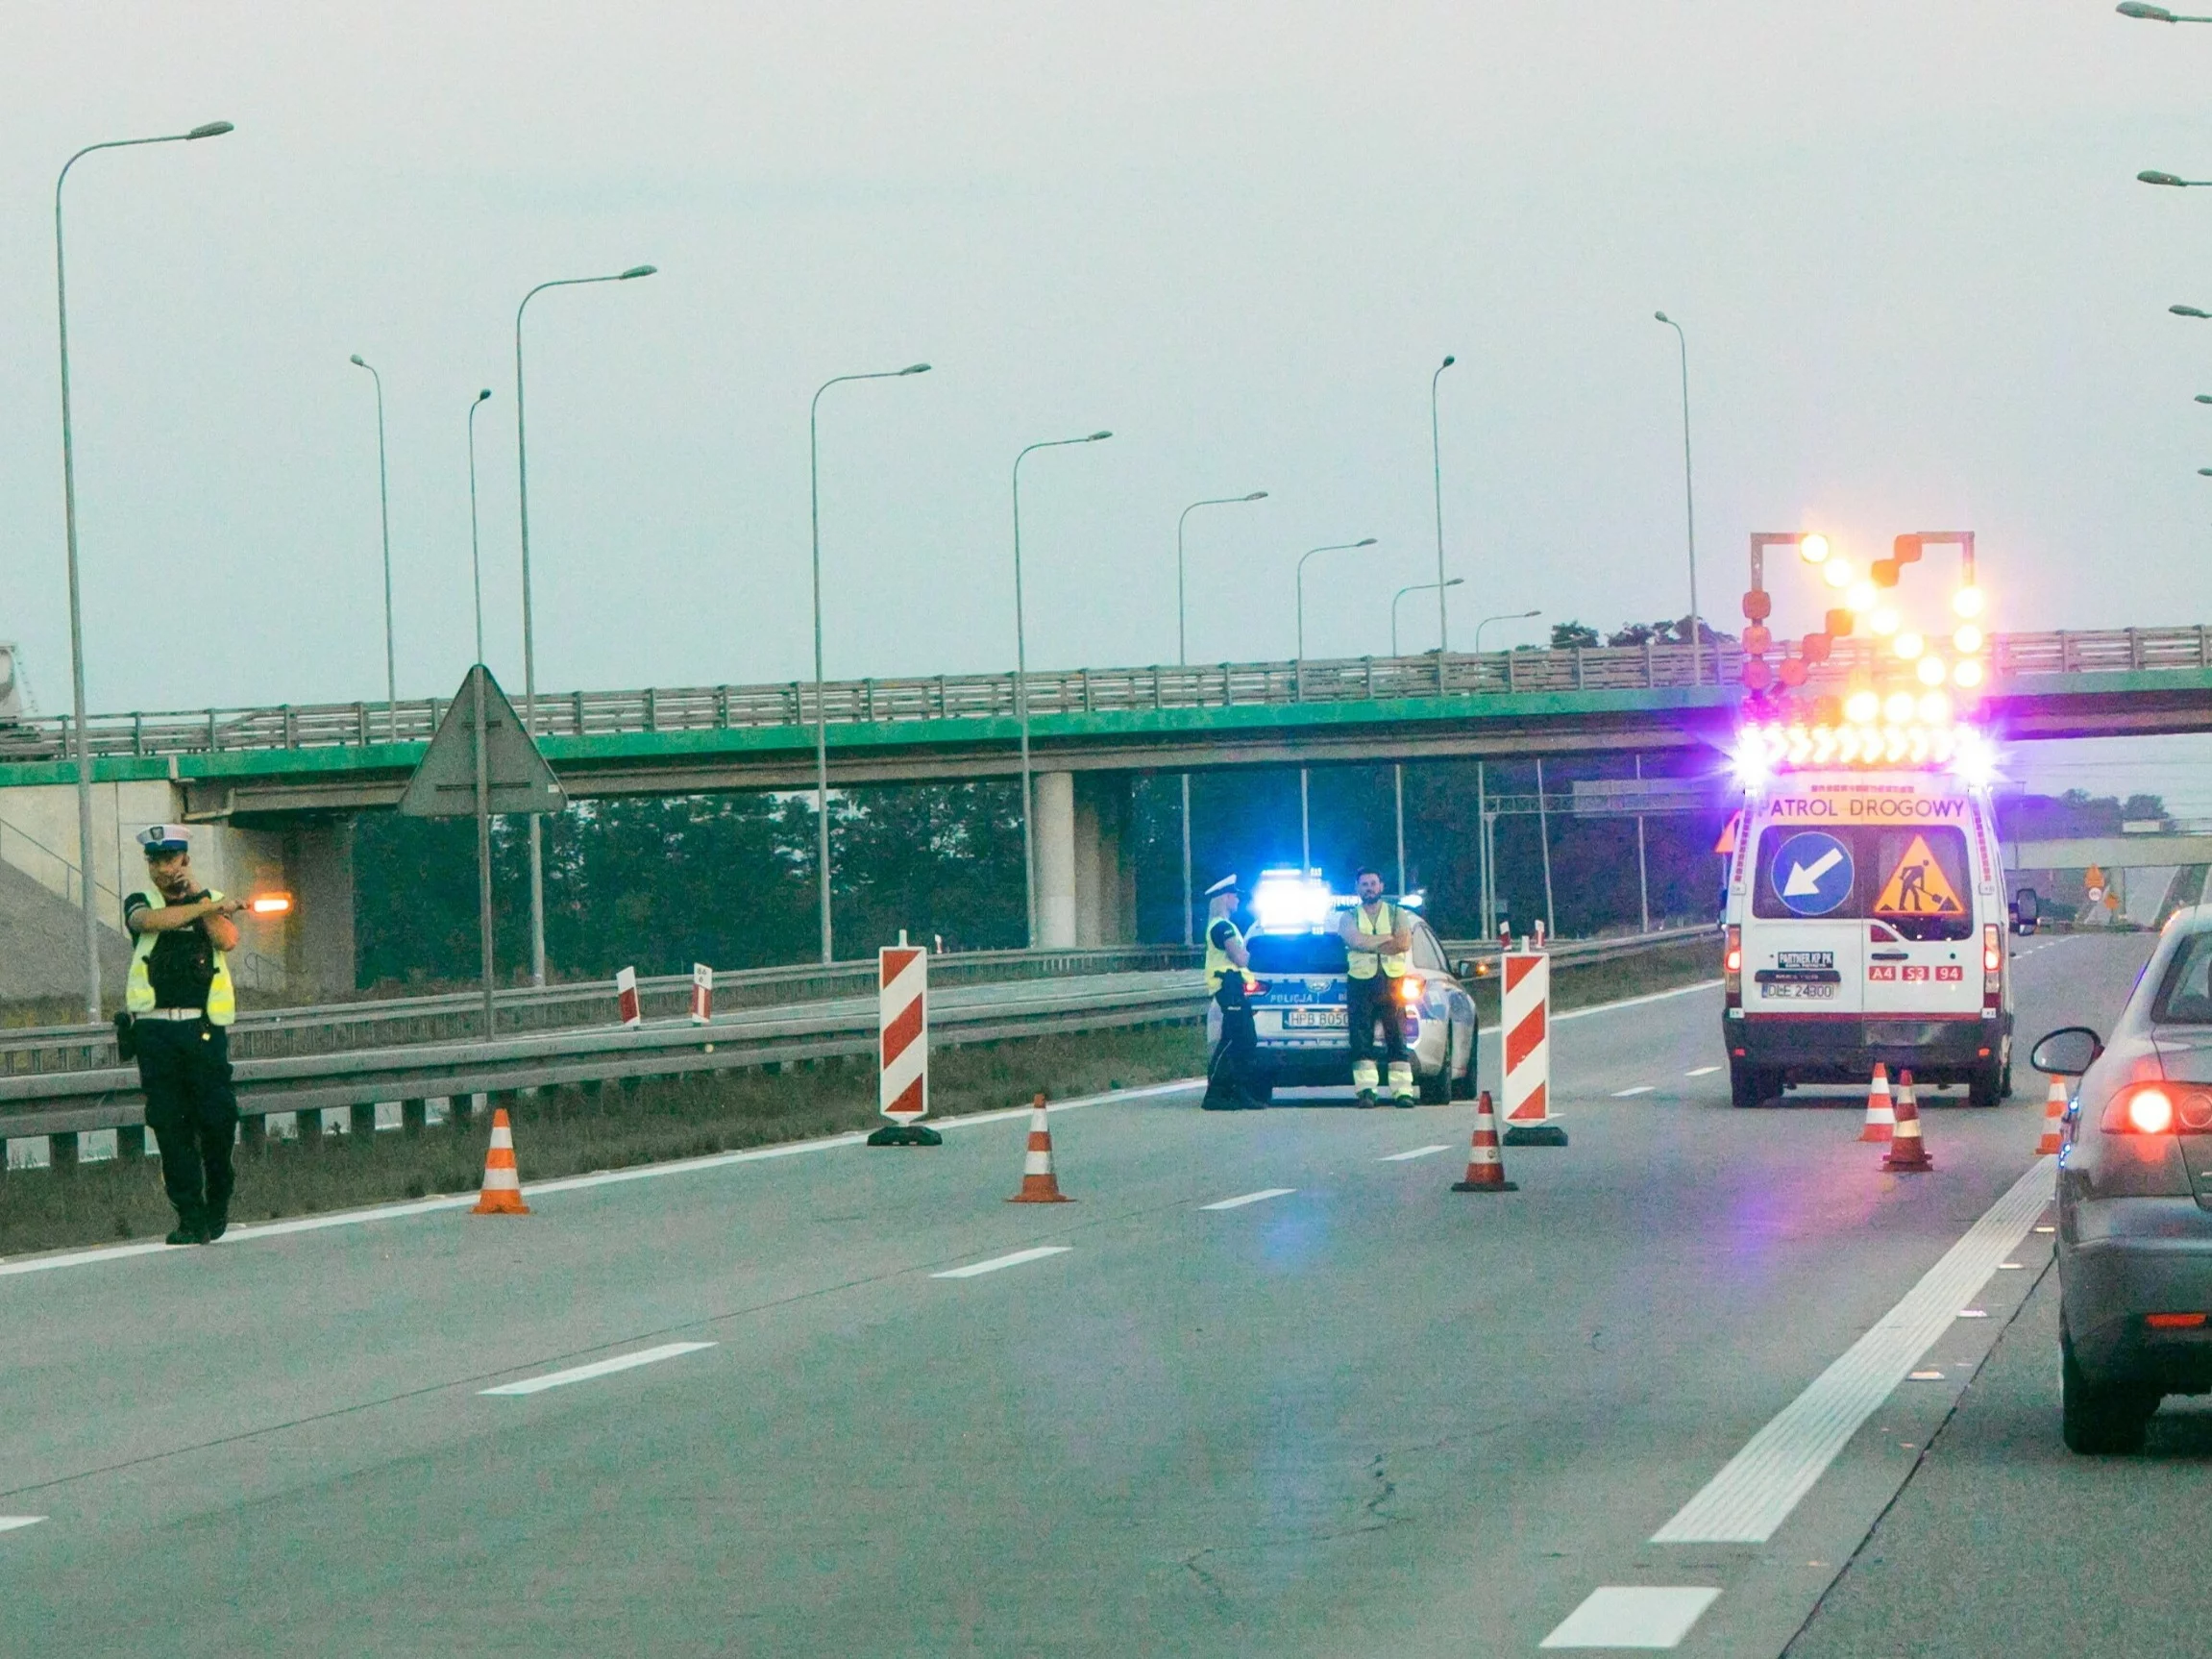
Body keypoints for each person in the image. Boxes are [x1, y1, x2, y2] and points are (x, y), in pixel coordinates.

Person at [123, 825, 246, 1245]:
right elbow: (151, 922)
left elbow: (226, 939)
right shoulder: (143, 903)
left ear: (185, 861)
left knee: (216, 1121)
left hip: (202, 1030)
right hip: (155, 1032)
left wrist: (202, 898)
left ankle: (218, 1199)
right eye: (155, 861)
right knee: (170, 1127)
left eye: (170, 860)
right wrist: (206, 904)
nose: (162, 869)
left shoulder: (206, 902)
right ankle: (189, 1217)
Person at [1338, 865, 1415, 1106]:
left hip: (1393, 982)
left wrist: (1367, 943)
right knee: (1361, 1040)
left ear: (1381, 886)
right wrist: (1386, 939)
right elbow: (1354, 940)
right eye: (1364, 884)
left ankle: (1402, 1092)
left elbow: (1403, 942)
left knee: (1397, 1038)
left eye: (1373, 883)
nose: (1369, 888)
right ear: (1357, 888)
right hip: (1361, 983)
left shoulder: (1397, 914)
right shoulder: (1349, 916)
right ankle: (1366, 1091)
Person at [1200, 874, 1266, 1110]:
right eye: (1234, 895)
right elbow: (1240, 957)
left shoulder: (1226, 925)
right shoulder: (1221, 927)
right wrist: (1247, 957)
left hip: (1235, 988)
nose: (1237, 899)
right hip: (1228, 987)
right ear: (1225, 897)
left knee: (1242, 1040)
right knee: (1236, 1040)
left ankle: (1236, 1092)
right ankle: (1216, 1094)